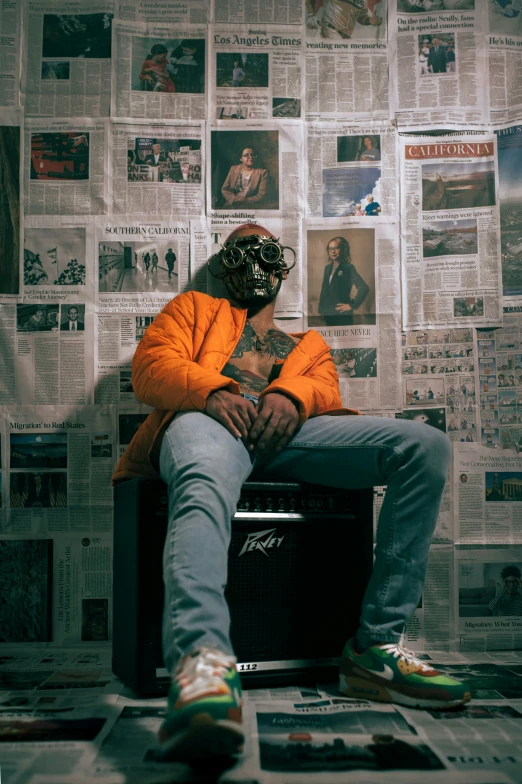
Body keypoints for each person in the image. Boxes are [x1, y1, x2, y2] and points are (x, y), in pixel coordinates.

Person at [112, 223, 469, 764]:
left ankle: (374, 650)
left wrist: (291, 395)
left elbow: (326, 387)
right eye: (240, 249)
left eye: (265, 249)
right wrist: (213, 392)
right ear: (224, 265)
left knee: (425, 446)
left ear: (283, 268)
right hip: (209, 423)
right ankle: (204, 664)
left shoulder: (309, 344)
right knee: (204, 471)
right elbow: (151, 367)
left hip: (290, 436)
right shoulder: (193, 308)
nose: (254, 259)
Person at [318, 236, 370, 326]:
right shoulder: (327, 268)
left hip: (342, 314)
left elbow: (364, 287)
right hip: (328, 314)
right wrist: (322, 310)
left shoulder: (348, 268)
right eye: (330, 249)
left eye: (336, 248)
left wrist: (351, 305)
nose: (333, 252)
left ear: (343, 250)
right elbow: (324, 291)